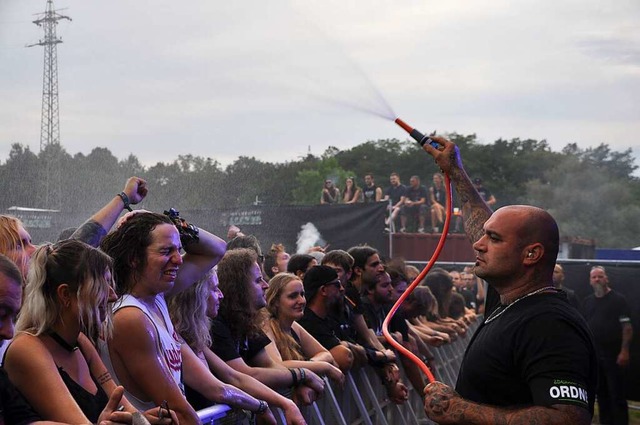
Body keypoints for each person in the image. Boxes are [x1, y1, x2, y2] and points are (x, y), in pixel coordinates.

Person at [421, 135, 597, 425]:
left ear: (531, 254)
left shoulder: (549, 324)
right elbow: (480, 223)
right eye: (485, 235)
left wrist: (460, 410)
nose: (479, 244)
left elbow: (567, 419)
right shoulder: (508, 300)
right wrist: (456, 173)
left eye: (494, 239)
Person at [4, 240, 162, 424]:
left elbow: (125, 407)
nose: (113, 295)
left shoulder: (80, 342)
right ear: (65, 294)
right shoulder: (27, 349)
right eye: (102, 285)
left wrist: (145, 420)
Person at [99, 211, 228, 425]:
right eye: (167, 251)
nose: (178, 259)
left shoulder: (155, 297)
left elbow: (217, 249)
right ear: (134, 259)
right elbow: (180, 412)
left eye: (179, 249)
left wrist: (170, 221)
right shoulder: (129, 317)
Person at [167, 269, 304, 424]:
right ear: (196, 295)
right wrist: (261, 406)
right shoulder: (178, 338)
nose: (221, 294)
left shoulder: (195, 338)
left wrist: (286, 403)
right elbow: (218, 389)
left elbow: (234, 377)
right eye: (213, 289)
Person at [211, 249, 325, 406]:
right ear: (239, 287)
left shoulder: (247, 321)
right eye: (258, 280)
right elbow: (246, 375)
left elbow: (271, 366)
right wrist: (302, 375)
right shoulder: (216, 323)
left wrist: (298, 382)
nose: (266, 285)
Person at [262, 273, 345, 385]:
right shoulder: (266, 326)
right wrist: (322, 366)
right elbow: (276, 366)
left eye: (302, 294)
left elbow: (326, 354)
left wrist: (311, 365)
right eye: (293, 296)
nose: (301, 301)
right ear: (275, 301)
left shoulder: (293, 326)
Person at [582, 266, 633, 425]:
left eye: (600, 276)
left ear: (606, 279)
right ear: (590, 281)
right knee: (601, 394)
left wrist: (624, 351)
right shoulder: (587, 302)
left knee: (617, 395)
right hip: (595, 357)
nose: (597, 279)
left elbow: (627, 327)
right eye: (594, 277)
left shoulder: (619, 300)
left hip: (614, 355)